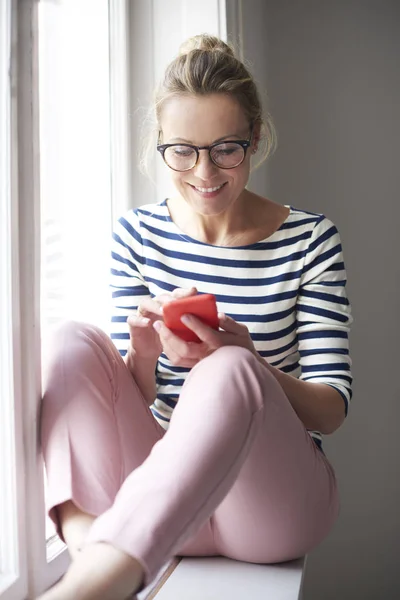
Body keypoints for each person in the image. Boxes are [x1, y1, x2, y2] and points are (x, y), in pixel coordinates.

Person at [38, 34, 352, 600]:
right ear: (161, 144)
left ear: (255, 138)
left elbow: (331, 411)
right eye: (182, 150)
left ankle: (106, 575)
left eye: (226, 147)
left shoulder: (309, 239)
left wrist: (251, 364)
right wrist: (144, 353)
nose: (204, 171)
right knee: (70, 342)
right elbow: (129, 399)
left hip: (268, 508)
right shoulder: (137, 233)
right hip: (165, 495)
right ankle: (86, 539)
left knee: (227, 370)